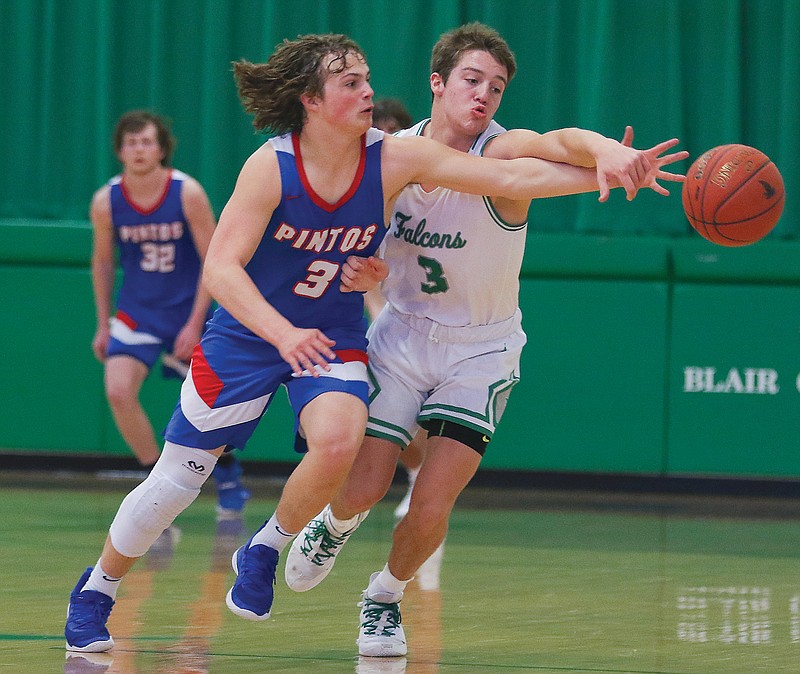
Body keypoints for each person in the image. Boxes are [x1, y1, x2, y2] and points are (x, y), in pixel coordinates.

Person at [65, 31, 679, 654]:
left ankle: (266, 547)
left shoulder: (392, 158)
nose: (368, 91)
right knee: (177, 479)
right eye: (351, 83)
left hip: (333, 332)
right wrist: (283, 331)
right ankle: (98, 589)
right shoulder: (271, 165)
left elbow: (512, 171)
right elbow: (221, 269)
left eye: (365, 78)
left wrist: (607, 164)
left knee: (339, 441)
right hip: (251, 332)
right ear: (310, 99)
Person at [283, 22, 688, 658]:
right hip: (404, 335)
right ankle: (334, 525)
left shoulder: (502, 153)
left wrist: (607, 150)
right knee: (361, 486)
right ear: (438, 83)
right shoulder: (391, 156)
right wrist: (369, 273)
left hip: (482, 348)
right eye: (472, 80)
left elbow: (559, 140)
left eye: (496, 88)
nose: (483, 96)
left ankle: (384, 597)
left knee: (432, 501)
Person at [88, 110, 249, 516]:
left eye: (146, 142)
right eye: (131, 142)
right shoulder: (106, 201)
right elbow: (104, 262)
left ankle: (227, 469)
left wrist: (196, 323)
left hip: (185, 311)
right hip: (137, 312)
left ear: (161, 148)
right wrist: (101, 323)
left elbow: (215, 259)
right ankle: (152, 481)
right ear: (120, 150)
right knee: (117, 391)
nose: (139, 149)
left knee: (208, 404)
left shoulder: (187, 193)